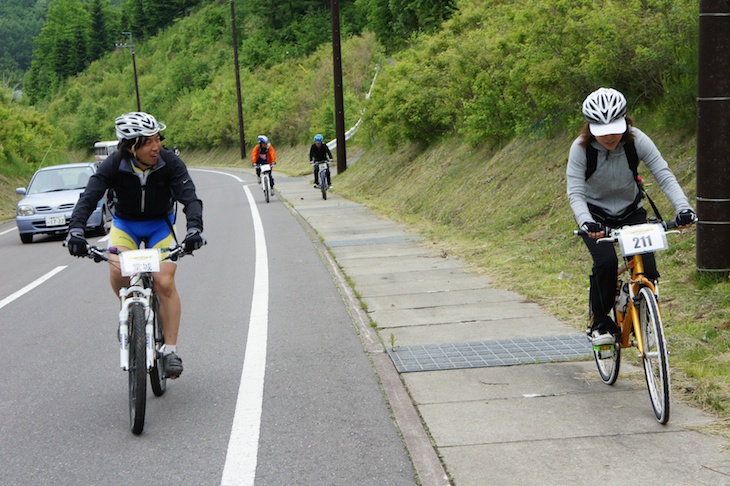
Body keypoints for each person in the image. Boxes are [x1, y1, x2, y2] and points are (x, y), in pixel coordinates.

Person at [66, 111, 205, 379]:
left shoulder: (170, 162)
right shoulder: (113, 164)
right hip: (125, 226)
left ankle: (170, 351)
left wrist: (194, 228)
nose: (156, 147)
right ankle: (130, 315)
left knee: (164, 281)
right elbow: (89, 197)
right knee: (119, 270)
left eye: (158, 139)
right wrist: (76, 230)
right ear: (131, 147)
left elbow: (190, 198)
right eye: (148, 142)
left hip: (160, 225)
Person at [566, 87, 696, 346]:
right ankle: (600, 322)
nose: (610, 136)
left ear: (625, 121)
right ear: (590, 128)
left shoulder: (637, 140)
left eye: (614, 128)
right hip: (595, 216)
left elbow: (663, 173)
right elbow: (575, 192)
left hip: (630, 211)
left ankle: (643, 313)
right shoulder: (581, 150)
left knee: (647, 267)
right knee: (605, 263)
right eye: (602, 132)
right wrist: (586, 222)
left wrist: (684, 208)